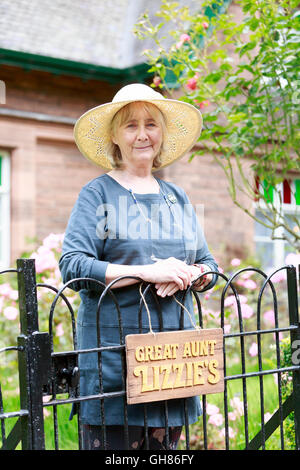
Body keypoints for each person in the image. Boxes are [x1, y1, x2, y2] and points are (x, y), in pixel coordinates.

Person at [59, 83, 218, 450]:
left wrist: (189, 275)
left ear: (162, 134)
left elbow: (208, 265)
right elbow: (73, 265)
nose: (142, 134)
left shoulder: (176, 197)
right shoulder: (98, 194)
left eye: (151, 124)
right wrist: (147, 272)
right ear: (115, 136)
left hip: (173, 362)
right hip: (114, 361)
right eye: (131, 125)